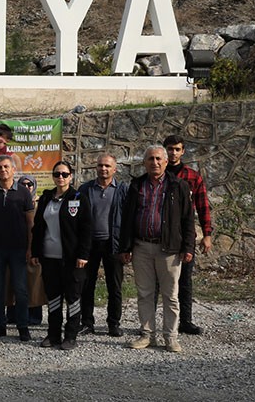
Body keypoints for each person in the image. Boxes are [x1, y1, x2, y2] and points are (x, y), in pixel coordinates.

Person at [120, 146, 195, 353]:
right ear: (144, 162)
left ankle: (171, 337)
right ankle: (147, 335)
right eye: (150, 159)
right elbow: (127, 218)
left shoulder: (178, 185)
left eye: (158, 159)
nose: (155, 162)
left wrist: (188, 247)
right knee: (145, 293)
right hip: (141, 246)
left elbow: (188, 219)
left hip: (169, 248)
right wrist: (126, 246)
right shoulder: (137, 185)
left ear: (165, 162)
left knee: (170, 295)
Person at [30, 161, 92, 350]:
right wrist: (35, 251)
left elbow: (86, 229)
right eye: (57, 174)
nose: (61, 177)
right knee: (54, 298)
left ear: (71, 176)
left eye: (65, 174)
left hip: (72, 259)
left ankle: (70, 336)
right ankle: (53, 335)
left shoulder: (79, 198)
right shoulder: (46, 197)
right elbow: (38, 227)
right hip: (49, 257)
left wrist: (83, 254)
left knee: (72, 298)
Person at [0, 155, 35, 342]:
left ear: (13, 169)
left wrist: (30, 248)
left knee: (20, 289)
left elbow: (30, 223)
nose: (3, 170)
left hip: (19, 249)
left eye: (6, 167)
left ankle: (23, 326)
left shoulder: (24, 193)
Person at [164, 135, 212, 336]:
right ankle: (154, 324)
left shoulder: (193, 177)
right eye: (170, 149)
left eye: (177, 149)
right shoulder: (157, 174)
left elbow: (203, 206)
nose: (173, 153)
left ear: (183, 151)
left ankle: (185, 321)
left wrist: (207, 234)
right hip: (162, 235)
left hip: (185, 235)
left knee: (185, 280)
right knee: (159, 283)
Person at [78, 153, 128, 337]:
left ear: (115, 169)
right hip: (89, 244)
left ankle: (113, 323)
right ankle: (87, 323)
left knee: (114, 286)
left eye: (107, 166)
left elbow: (128, 219)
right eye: (100, 165)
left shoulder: (123, 190)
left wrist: (127, 247)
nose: (103, 169)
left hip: (113, 244)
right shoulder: (85, 189)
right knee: (86, 285)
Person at [7, 174, 44, 327]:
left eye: (30, 184)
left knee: (34, 284)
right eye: (24, 184)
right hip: (15, 245)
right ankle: (12, 315)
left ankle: (34, 317)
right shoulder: (14, 201)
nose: (27, 187)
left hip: (34, 248)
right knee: (12, 282)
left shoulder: (41, 204)